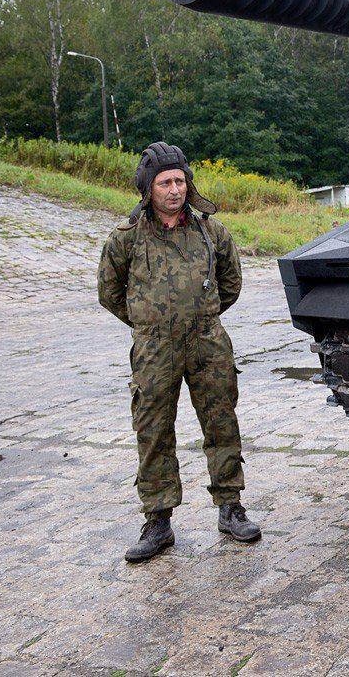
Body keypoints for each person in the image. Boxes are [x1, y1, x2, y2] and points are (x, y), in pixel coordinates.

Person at [97, 142, 261, 562]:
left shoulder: (211, 233)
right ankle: (157, 521)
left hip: (207, 342)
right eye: (164, 182)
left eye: (180, 180)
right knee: (153, 430)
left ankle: (230, 507)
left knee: (221, 421)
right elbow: (110, 293)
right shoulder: (126, 239)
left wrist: (199, 316)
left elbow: (231, 283)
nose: (174, 190)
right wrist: (149, 323)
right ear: (147, 189)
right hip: (154, 348)